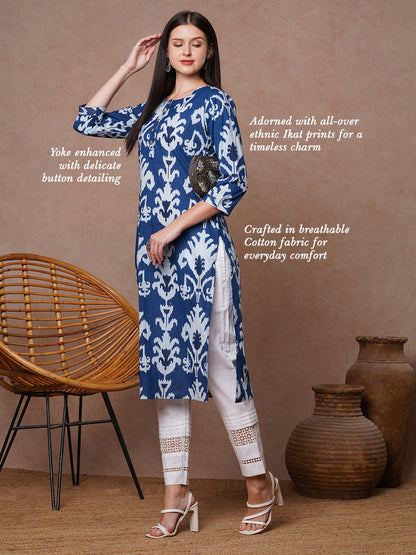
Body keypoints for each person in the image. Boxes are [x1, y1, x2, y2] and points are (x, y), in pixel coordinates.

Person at [73, 10, 283, 537]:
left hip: (201, 252)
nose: (186, 51)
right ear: (165, 53)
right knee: (166, 374)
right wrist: (128, 66)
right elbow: (87, 120)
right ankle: (177, 495)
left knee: (221, 364)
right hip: (156, 260)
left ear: (209, 51)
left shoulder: (216, 104)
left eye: (196, 42)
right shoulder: (152, 111)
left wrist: (172, 228)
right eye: (177, 43)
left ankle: (259, 483)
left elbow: (230, 182)